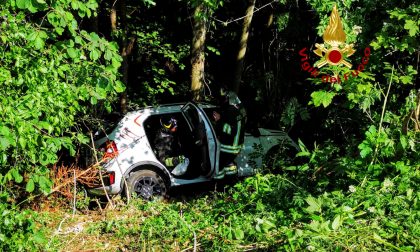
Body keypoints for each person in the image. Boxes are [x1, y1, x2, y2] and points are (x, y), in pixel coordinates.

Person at [213, 88, 247, 178]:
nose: (223, 101)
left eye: (224, 98)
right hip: (238, 145)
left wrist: (219, 121)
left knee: (219, 166)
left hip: (230, 146)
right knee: (229, 165)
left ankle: (218, 186)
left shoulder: (231, 110)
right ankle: (231, 184)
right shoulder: (240, 108)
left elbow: (231, 131)